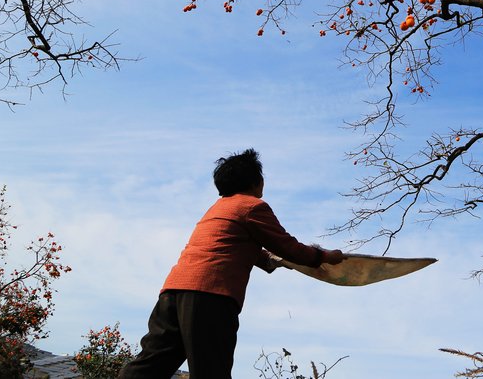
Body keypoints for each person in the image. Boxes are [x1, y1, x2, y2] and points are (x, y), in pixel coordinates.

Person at [118, 149, 343, 379]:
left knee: (151, 365)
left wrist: (270, 261)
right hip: (210, 295)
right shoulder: (253, 207)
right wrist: (323, 256)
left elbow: (237, 246)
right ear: (257, 181)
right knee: (212, 370)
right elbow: (287, 245)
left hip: (173, 292)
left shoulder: (217, 209)